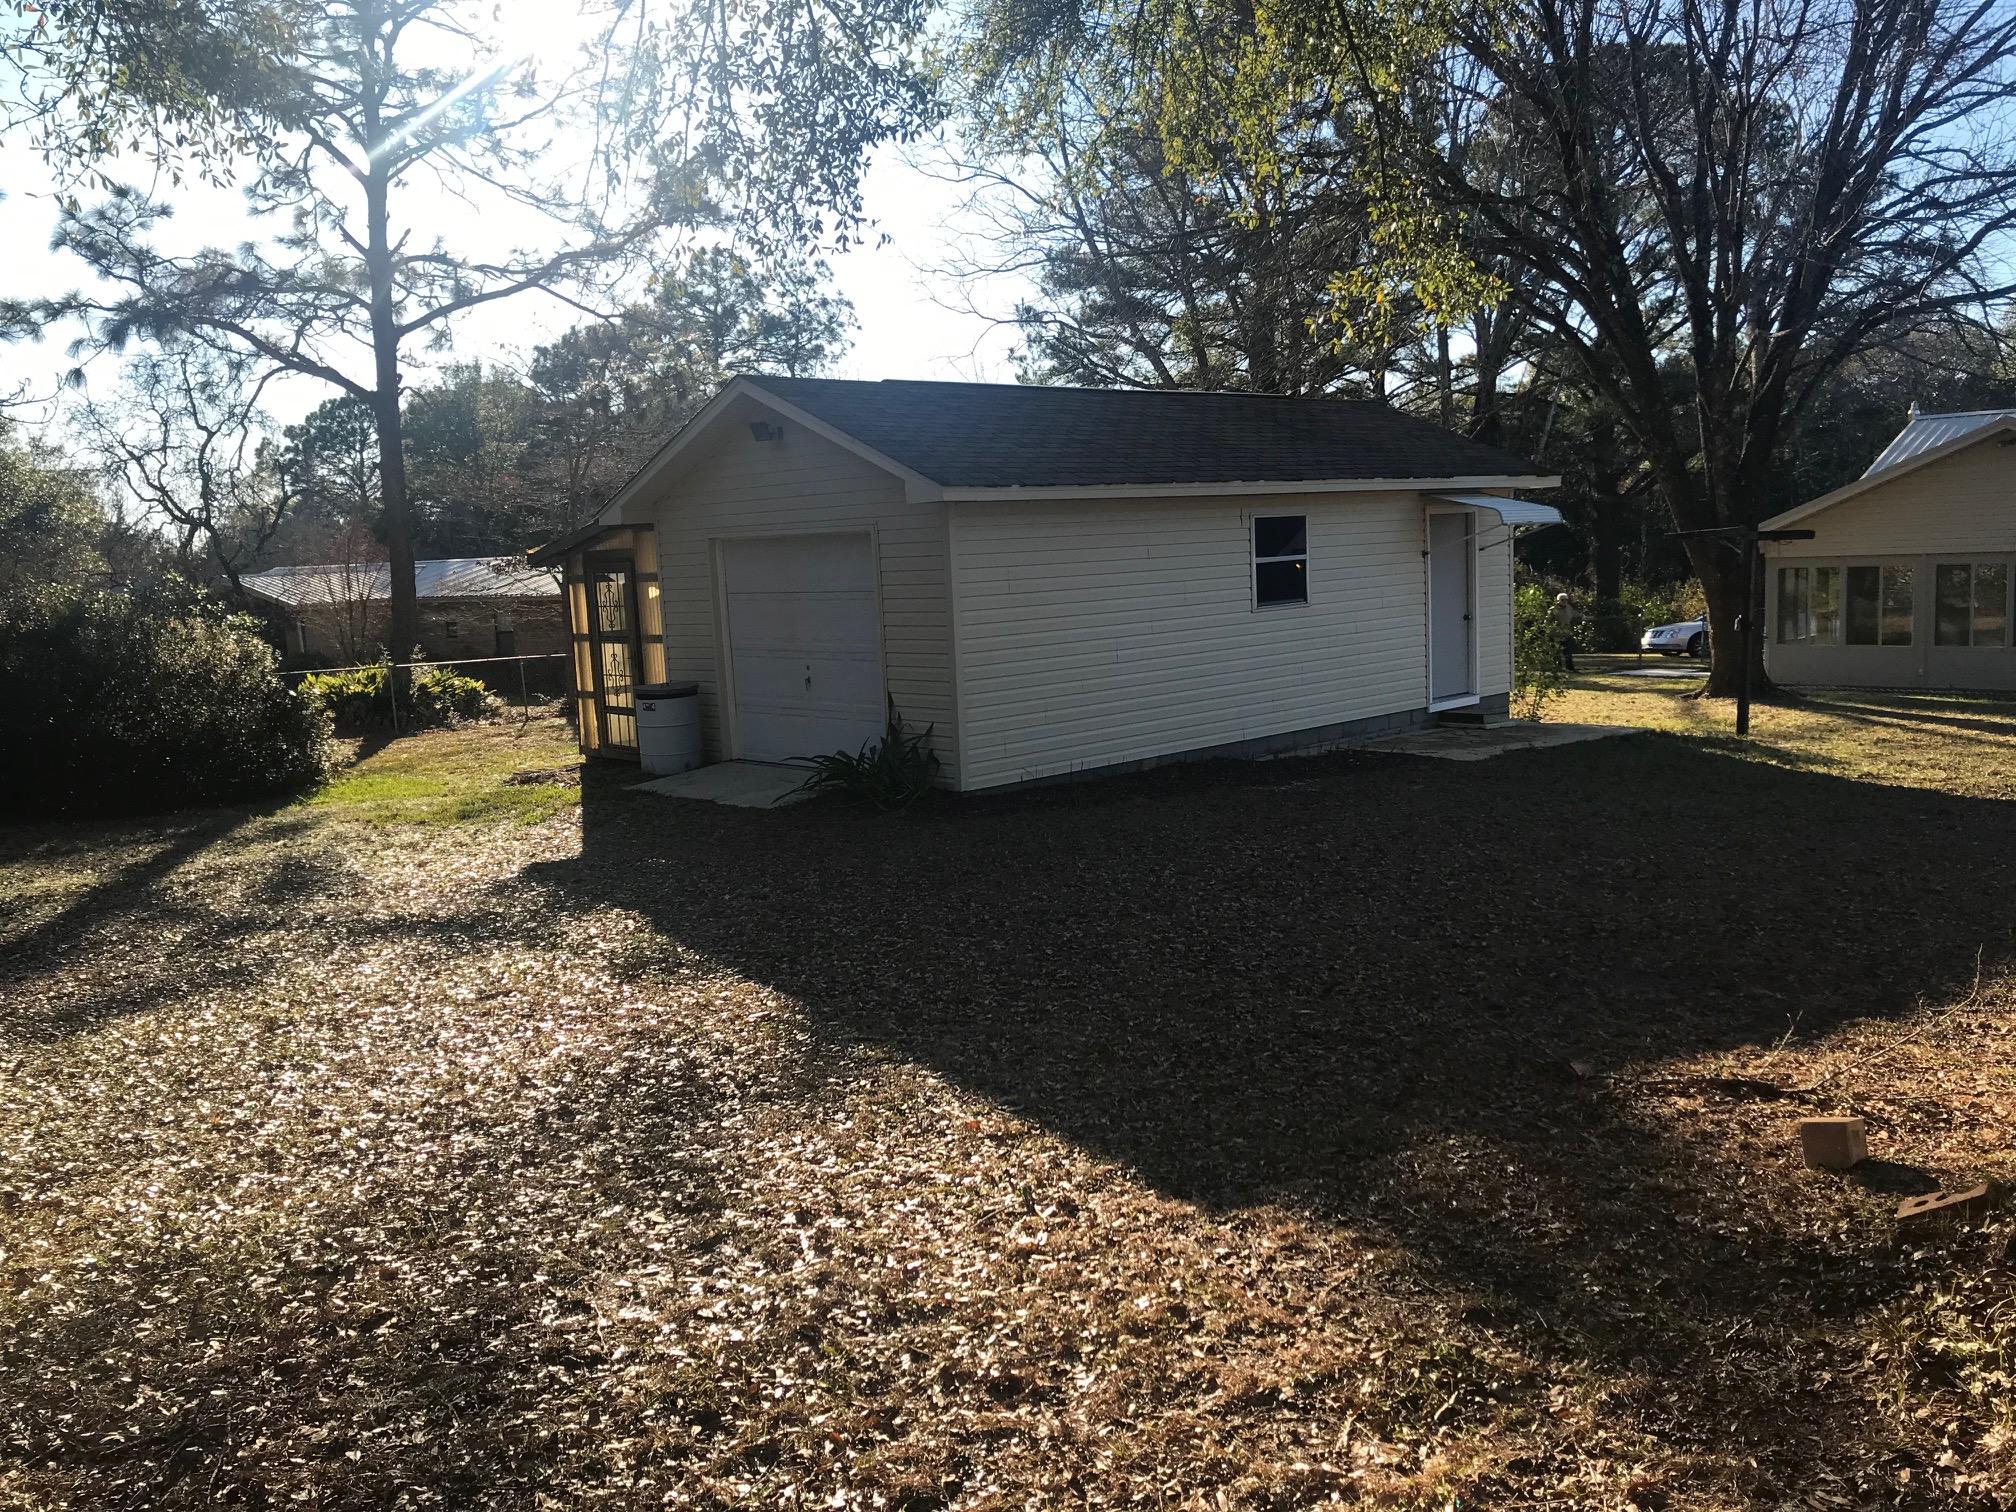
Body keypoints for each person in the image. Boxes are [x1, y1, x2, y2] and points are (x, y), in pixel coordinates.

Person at [1552, 592, 1578, 672]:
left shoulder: (1569, 608)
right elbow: (1548, 621)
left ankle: (1570, 668)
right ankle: (1557, 669)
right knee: (1556, 653)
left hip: (1566, 634)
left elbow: (1575, 614)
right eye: (1562, 600)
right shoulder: (1553, 609)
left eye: (1566, 600)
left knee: (1568, 652)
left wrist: (1584, 617)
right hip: (1556, 634)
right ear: (1558, 600)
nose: (1565, 601)